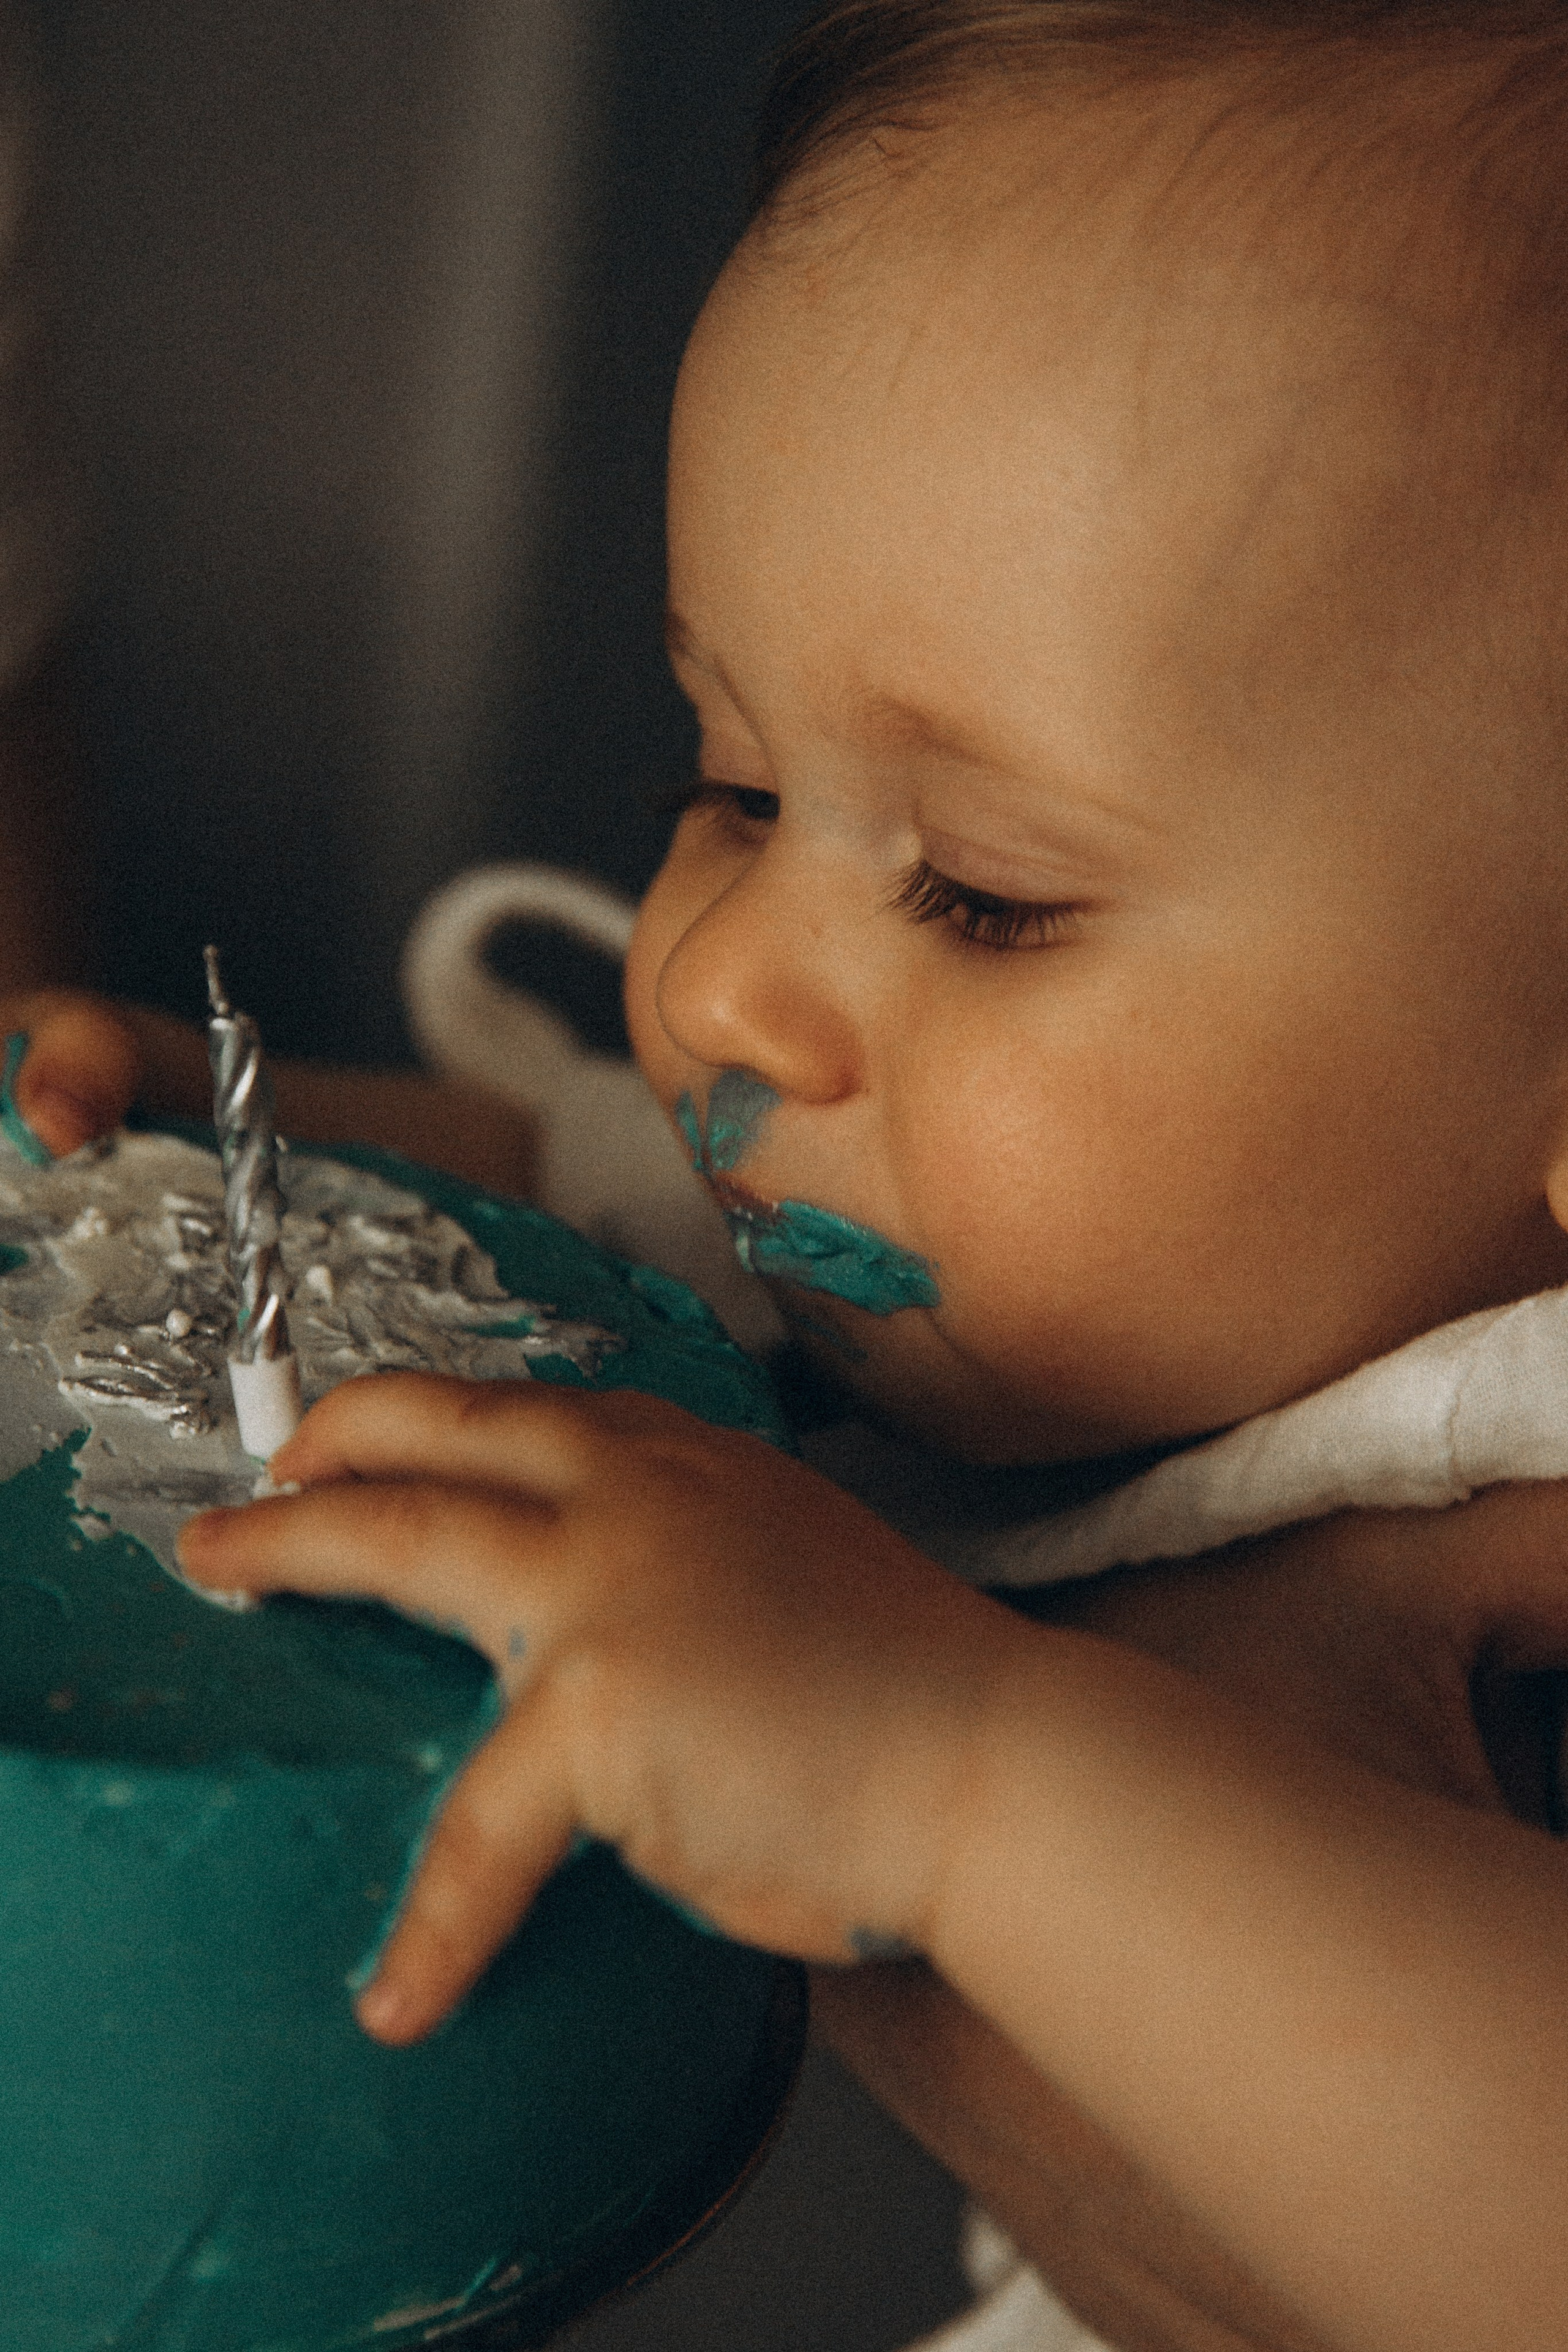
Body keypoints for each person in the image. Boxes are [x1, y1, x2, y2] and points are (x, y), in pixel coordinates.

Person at [13, 3, 1568, 2346]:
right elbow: (589, 1187)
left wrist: (965, 1779)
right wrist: (198, 1144)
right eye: (731, 785)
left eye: (984, 892)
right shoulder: (1002, 1246)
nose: (730, 983)